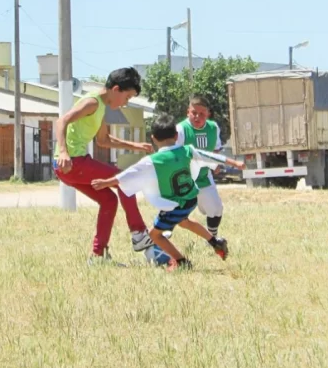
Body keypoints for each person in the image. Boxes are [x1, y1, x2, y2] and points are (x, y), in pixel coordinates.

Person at [91, 115, 245, 271]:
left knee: (154, 235)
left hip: (176, 205)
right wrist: (236, 163)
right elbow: (212, 156)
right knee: (184, 222)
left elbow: (129, 174)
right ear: (177, 136)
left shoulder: (154, 160)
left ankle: (181, 261)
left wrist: (106, 182)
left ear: (153, 138)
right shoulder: (187, 150)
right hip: (191, 199)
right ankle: (215, 242)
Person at [53, 67, 155, 263]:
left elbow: (103, 140)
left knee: (109, 201)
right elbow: (61, 121)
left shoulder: (102, 106)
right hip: (72, 163)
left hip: (73, 167)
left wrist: (136, 145)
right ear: (116, 89)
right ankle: (139, 234)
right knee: (124, 180)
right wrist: (64, 152)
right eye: (127, 98)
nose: (126, 103)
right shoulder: (92, 103)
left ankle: (98, 256)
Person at [174, 95, 226, 237]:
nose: (197, 117)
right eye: (194, 113)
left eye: (202, 114)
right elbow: (174, 155)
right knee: (174, 214)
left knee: (216, 209)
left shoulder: (213, 128)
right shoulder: (180, 129)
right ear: (188, 112)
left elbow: (215, 150)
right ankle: (162, 238)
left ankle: (213, 239)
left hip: (203, 176)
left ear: (208, 113)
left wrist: (215, 165)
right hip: (183, 179)